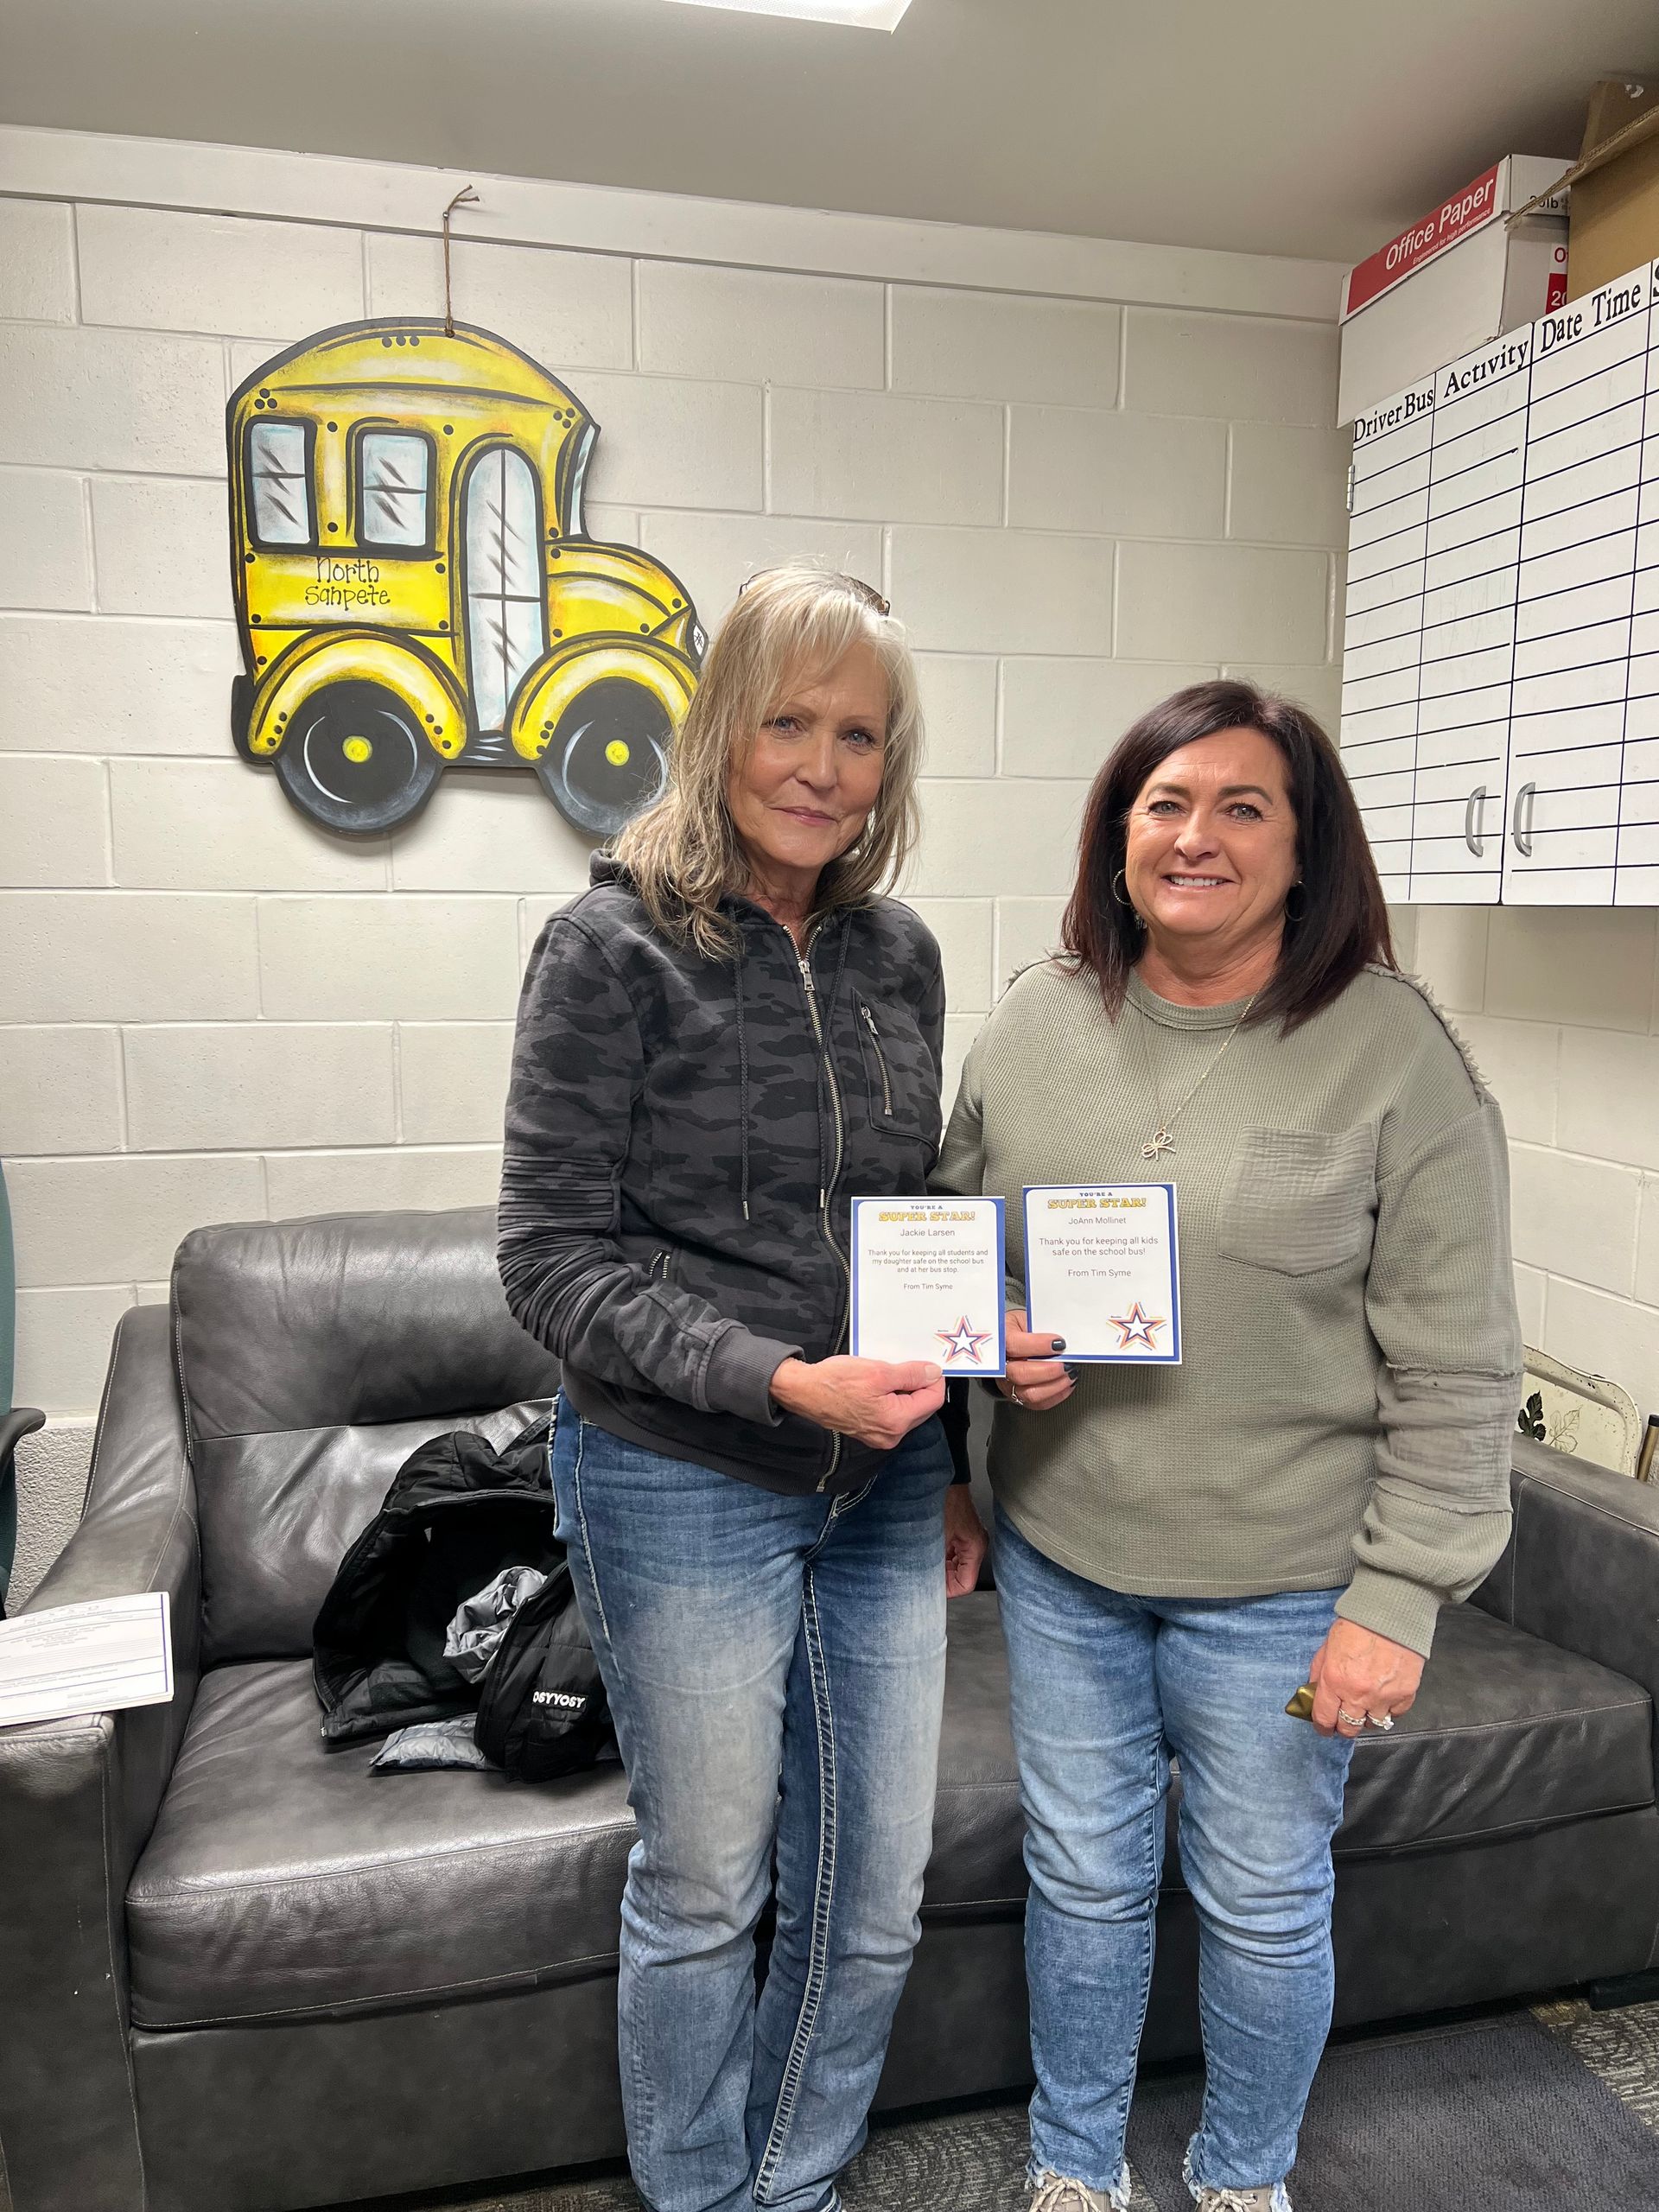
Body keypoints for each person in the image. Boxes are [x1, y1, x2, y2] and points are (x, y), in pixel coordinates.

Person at [935, 680, 1522, 2212]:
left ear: (1306, 850)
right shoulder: (1034, 1019)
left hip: (1285, 1584)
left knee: (1262, 1903)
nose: (1197, 837)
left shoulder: (1393, 1051)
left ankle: (1245, 2177)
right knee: (1081, 1877)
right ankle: (1075, 2164)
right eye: (1167, 804)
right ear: (1118, 835)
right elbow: (946, 1253)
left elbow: (1460, 1362)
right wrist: (990, 1348)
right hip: (1066, 1561)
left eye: (1243, 808)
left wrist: (1399, 1599)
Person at [499, 567, 969, 2212]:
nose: (823, 768)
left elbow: (911, 1228)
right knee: (706, 1890)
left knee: (876, 1899)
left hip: (882, 1488)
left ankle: (793, 2180)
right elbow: (549, 1260)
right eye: (789, 722)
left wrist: (960, 1445)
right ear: (719, 730)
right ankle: (699, 2195)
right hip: (677, 1478)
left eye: (862, 736)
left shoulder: (899, 955)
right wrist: (778, 1379)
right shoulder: (609, 946)